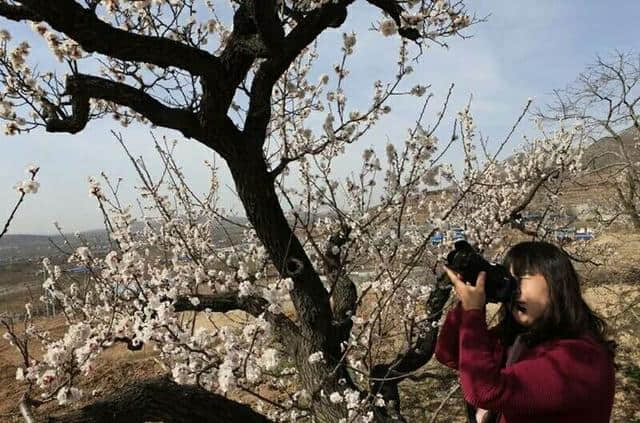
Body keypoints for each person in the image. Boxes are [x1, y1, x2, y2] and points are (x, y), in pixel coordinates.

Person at [435, 241, 616, 423]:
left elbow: (485, 390)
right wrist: (474, 298)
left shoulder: (581, 358)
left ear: (557, 283)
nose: (515, 288)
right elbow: (450, 353)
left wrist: (472, 312)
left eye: (523, 276)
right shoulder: (520, 339)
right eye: (510, 278)